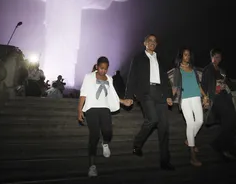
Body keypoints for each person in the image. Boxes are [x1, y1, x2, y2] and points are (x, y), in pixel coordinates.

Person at [0, 0, 127, 87]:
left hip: (70, 30)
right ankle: (49, 80)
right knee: (52, 51)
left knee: (68, 55)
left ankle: (67, 82)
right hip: (55, 28)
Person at [125, 34, 174, 170]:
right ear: (144, 43)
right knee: (152, 119)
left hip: (161, 93)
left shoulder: (160, 58)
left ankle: (165, 161)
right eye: (150, 41)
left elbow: (165, 78)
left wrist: (169, 95)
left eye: (154, 41)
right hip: (146, 93)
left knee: (164, 127)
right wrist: (129, 96)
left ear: (156, 44)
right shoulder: (138, 58)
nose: (152, 43)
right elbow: (132, 77)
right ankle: (137, 143)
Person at [77, 56, 132, 177]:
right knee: (94, 135)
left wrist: (123, 102)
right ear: (97, 67)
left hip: (105, 108)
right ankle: (92, 166)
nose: (103, 71)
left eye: (105, 69)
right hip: (91, 109)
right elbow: (83, 93)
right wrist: (79, 110)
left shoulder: (110, 79)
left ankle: (105, 143)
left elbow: (113, 95)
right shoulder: (89, 77)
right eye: (101, 68)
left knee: (108, 131)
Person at [172, 48, 209, 166]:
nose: (187, 56)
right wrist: (168, 98)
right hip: (185, 99)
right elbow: (175, 87)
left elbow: (198, 85)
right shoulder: (178, 70)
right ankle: (192, 155)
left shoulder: (193, 69)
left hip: (196, 97)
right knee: (191, 123)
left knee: (200, 121)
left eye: (189, 55)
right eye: (185, 55)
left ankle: (189, 139)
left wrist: (205, 96)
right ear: (181, 56)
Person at [201, 48, 236, 159]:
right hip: (217, 99)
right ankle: (224, 148)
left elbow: (228, 82)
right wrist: (206, 98)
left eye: (219, 57)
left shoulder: (222, 70)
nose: (218, 59)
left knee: (234, 122)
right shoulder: (208, 69)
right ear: (211, 57)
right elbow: (203, 86)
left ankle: (218, 144)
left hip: (226, 97)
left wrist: (227, 85)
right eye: (215, 57)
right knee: (229, 122)